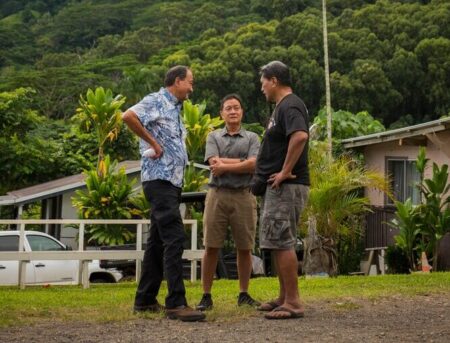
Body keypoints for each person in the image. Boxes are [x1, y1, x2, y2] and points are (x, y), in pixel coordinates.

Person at [122, 65, 205, 322]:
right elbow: (127, 116)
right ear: (177, 81)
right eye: (190, 82)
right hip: (159, 180)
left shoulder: (174, 108)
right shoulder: (156, 100)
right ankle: (176, 302)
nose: (192, 87)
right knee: (175, 237)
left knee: (158, 242)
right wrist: (153, 143)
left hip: (171, 182)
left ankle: (145, 301)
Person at [253, 61, 310, 320]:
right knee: (276, 242)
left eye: (263, 81)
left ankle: (294, 302)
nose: (261, 87)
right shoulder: (280, 108)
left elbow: (299, 136)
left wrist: (286, 171)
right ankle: (283, 297)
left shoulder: (291, 104)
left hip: (286, 185)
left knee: (282, 240)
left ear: (274, 80)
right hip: (277, 186)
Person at [196, 94, 261, 311]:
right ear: (221, 113)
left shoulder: (253, 137)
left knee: (245, 247)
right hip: (217, 195)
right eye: (228, 108)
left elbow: (254, 165)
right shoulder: (213, 136)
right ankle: (206, 295)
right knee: (211, 246)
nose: (233, 111)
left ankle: (244, 293)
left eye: (236, 108)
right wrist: (240, 163)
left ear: (242, 111)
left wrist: (226, 165)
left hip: (244, 194)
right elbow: (214, 163)